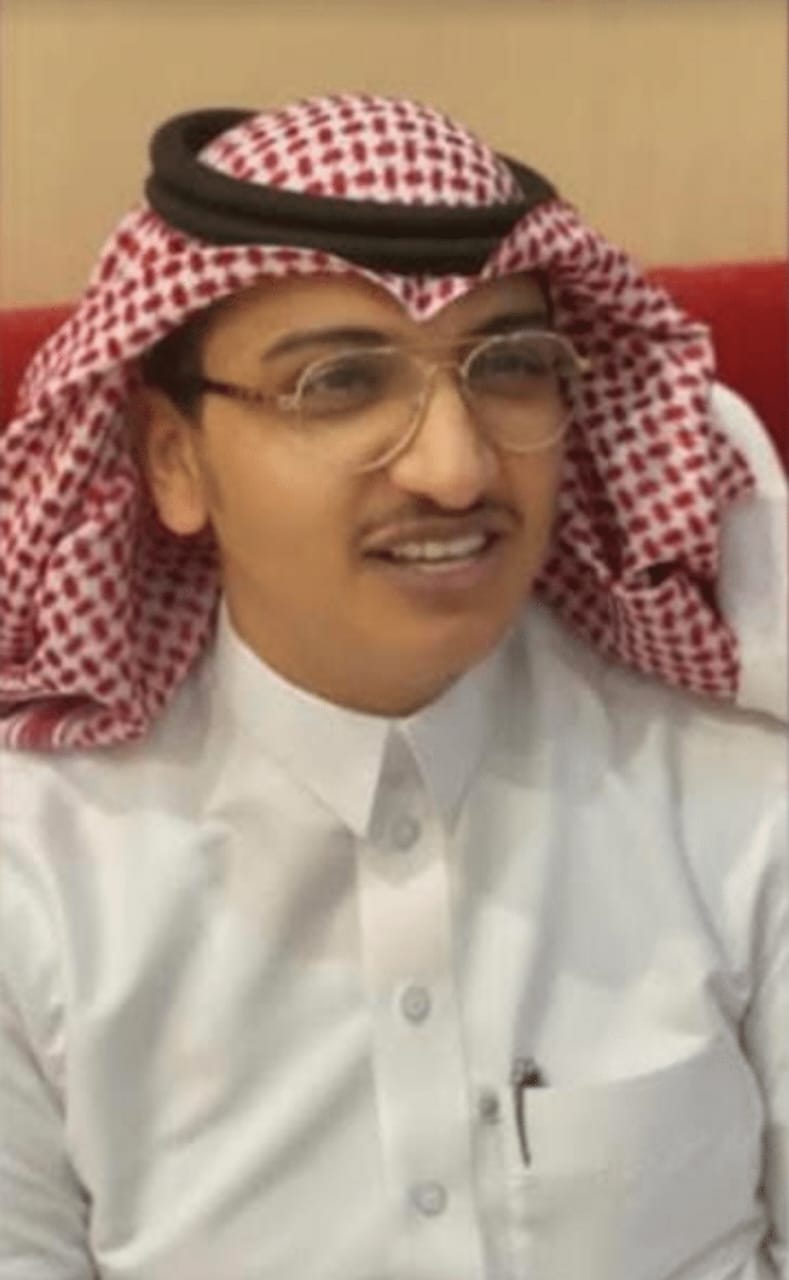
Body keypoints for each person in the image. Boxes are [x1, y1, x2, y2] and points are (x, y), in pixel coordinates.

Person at [0, 94, 785, 1280]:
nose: (456, 468)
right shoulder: (37, 870)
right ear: (172, 458)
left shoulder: (741, 789)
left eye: (509, 367)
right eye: (339, 382)